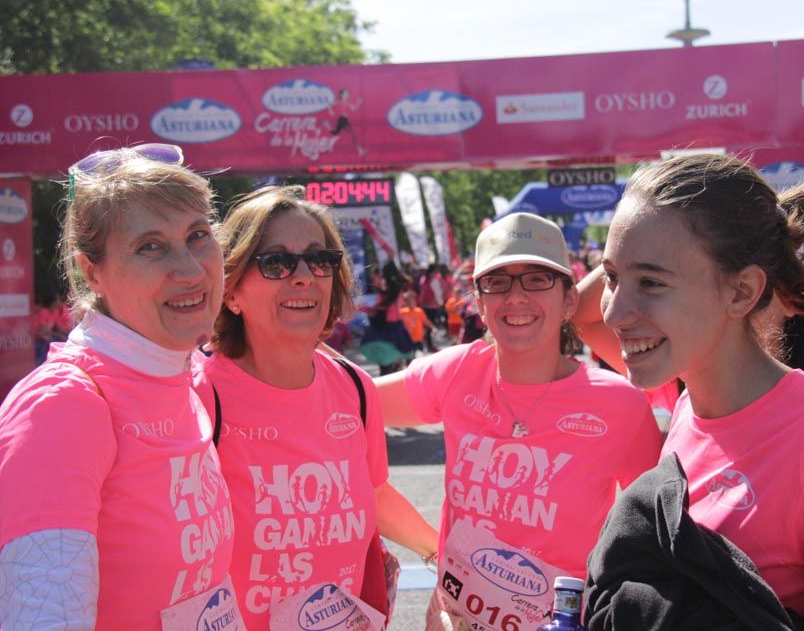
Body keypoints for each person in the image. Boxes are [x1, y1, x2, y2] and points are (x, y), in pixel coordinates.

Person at [587, 155, 804, 628]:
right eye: (612, 278)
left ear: (741, 293)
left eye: (651, 283)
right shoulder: (688, 407)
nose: (615, 313)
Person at [374, 213, 661, 628]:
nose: (516, 297)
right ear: (478, 302)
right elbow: (351, 398)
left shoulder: (619, 404)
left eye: (537, 279)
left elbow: (653, 538)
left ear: (568, 300)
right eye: (498, 282)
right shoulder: (457, 372)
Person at [0, 144, 239, 629]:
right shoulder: (65, 405)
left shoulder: (184, 377)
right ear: (93, 272)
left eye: (197, 235)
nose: (192, 270)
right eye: (150, 246)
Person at [195, 186, 437, 630]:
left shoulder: (356, 389)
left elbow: (373, 491)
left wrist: (439, 552)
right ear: (230, 291)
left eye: (320, 260)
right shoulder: (197, 399)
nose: (304, 276)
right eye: (276, 262)